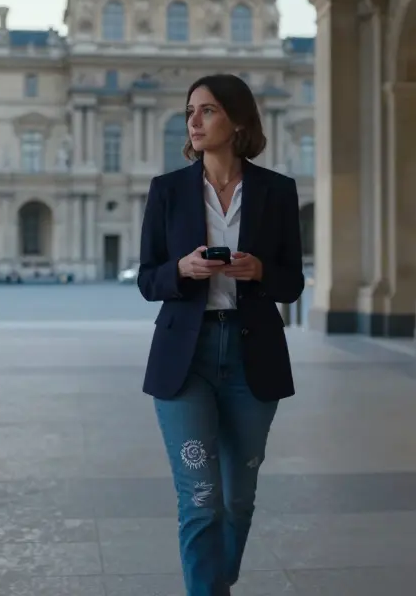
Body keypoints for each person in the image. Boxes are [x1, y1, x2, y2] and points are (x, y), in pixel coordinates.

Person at [136, 73, 304, 596]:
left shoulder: (277, 191)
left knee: (237, 500)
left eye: (207, 110)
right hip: (186, 355)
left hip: (253, 352)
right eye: (191, 110)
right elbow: (147, 279)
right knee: (201, 498)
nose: (193, 120)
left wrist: (258, 273)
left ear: (237, 120)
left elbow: (293, 282)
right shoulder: (167, 191)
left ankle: (217, 579)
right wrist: (181, 269)